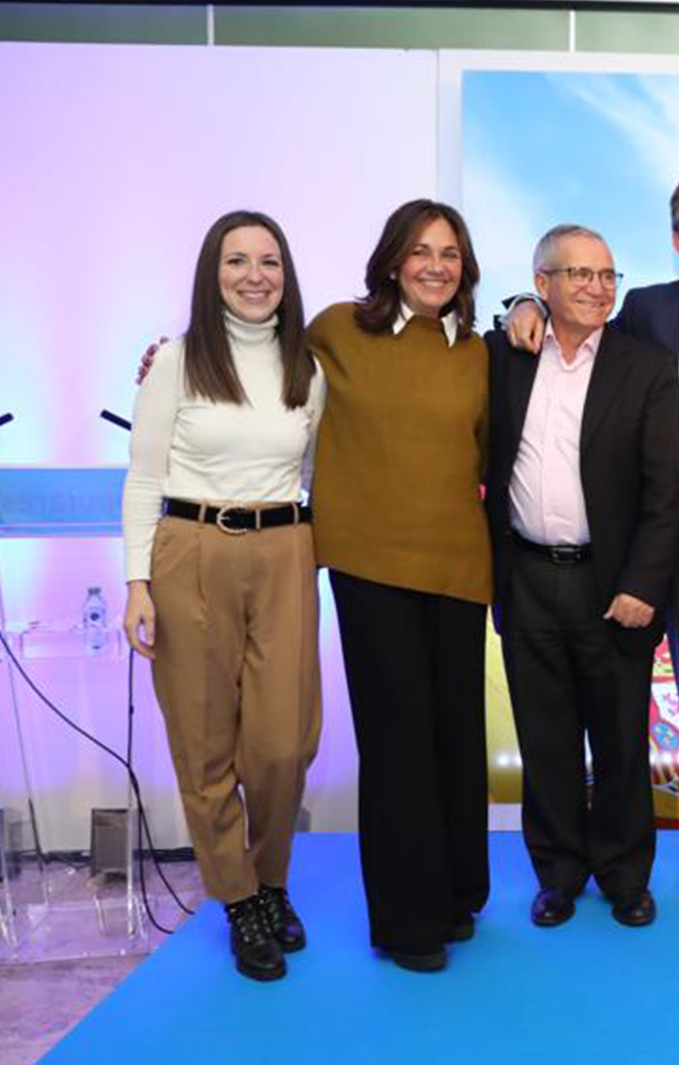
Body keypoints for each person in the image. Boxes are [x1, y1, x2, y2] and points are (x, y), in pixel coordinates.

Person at [503, 176, 679, 905]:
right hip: (678, 522)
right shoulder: (647, 309)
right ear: (675, 240)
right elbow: (569, 326)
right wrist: (522, 304)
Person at [122, 209, 324, 982]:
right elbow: (143, 475)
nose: (254, 276)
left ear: (286, 273)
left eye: (268, 261)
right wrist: (138, 581)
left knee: (284, 744)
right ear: (213, 274)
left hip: (285, 549)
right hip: (190, 549)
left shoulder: (309, 366)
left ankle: (272, 878)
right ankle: (241, 900)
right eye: (236, 261)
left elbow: (311, 468)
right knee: (205, 745)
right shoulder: (176, 362)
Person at [309, 199, 492, 973]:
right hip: (369, 565)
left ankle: (454, 896)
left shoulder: (480, 351)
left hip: (458, 564)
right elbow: (253, 364)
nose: (435, 266)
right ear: (391, 259)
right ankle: (406, 921)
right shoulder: (335, 330)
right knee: (397, 743)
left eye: (450, 253)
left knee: (456, 737)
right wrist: (171, 361)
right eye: (420, 251)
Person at [486, 224, 679, 930]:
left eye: (608, 275)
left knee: (622, 738)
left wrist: (643, 585)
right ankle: (559, 874)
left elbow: (666, 491)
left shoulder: (646, 366)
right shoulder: (506, 356)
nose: (598, 288)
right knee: (546, 738)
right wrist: (513, 308)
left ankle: (627, 878)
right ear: (543, 284)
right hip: (528, 576)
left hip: (614, 586)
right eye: (580, 275)